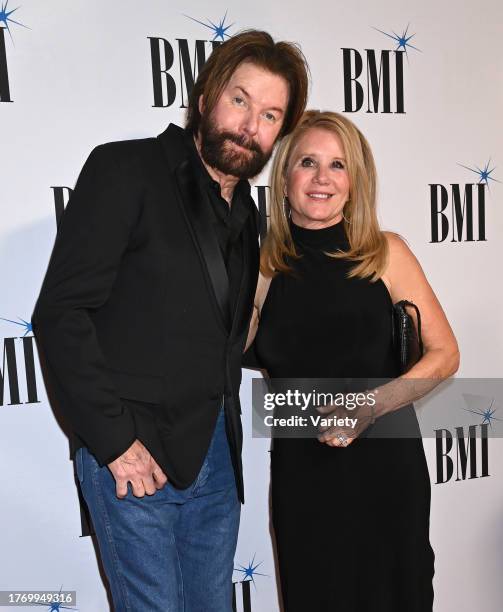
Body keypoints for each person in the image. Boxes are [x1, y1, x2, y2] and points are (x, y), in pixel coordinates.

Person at [31, 30, 309, 612]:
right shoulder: (126, 168)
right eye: (240, 100)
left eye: (269, 115)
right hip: (136, 461)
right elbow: (61, 313)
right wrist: (114, 444)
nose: (248, 125)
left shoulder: (249, 214)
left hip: (214, 463)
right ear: (206, 98)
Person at [245, 110, 460, 611]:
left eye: (338, 165)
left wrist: (371, 404)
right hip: (305, 477)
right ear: (285, 177)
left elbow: (445, 354)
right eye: (308, 163)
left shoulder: (385, 254)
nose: (322, 178)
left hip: (385, 470)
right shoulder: (261, 266)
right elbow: (227, 348)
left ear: (355, 180)